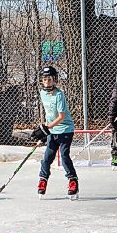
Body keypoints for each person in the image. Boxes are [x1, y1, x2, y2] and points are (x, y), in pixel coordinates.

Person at [31, 66, 79, 199]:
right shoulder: (42, 93)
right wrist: (43, 128)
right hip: (52, 130)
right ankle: (42, 180)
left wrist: (48, 127)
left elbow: (61, 116)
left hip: (65, 130)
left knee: (64, 156)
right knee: (47, 158)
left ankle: (73, 181)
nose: (47, 82)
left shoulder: (59, 94)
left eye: (50, 79)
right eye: (45, 79)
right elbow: (49, 113)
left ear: (54, 80)